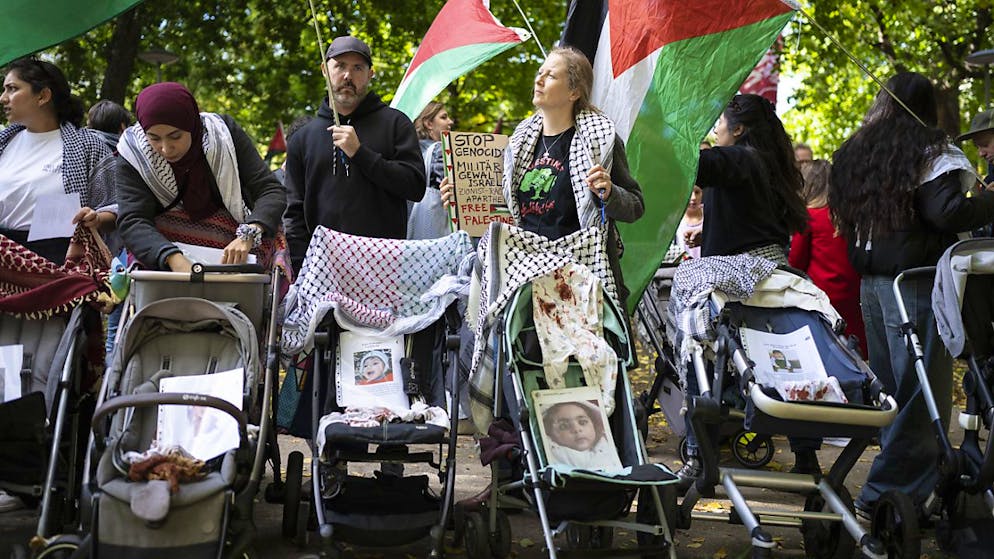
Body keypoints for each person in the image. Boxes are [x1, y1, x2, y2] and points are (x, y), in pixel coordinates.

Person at [829, 72, 994, 513]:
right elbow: (947, 212)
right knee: (921, 395)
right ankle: (881, 496)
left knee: (894, 393)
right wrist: (989, 200)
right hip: (914, 283)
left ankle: (910, 493)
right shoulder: (931, 152)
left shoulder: (857, 154)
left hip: (873, 285)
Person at [442, 46, 644, 305]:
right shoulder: (517, 145)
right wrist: (462, 198)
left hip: (579, 281)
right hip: (522, 278)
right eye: (540, 72)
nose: (539, 80)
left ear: (574, 92)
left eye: (551, 75)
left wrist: (610, 193)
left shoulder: (600, 142)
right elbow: (500, 212)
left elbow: (635, 206)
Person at [681, 93, 814, 484]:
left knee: (698, 354)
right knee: (787, 369)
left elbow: (694, 163)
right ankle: (806, 458)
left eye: (720, 123)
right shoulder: (770, 163)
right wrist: (709, 230)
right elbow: (754, 220)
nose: (715, 130)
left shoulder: (740, 158)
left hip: (740, 283)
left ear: (737, 129)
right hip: (776, 275)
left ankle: (697, 456)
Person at [284, 35, 425, 273]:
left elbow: (415, 187)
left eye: (357, 68)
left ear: (370, 74)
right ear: (324, 70)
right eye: (340, 66)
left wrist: (360, 153)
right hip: (322, 268)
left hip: (384, 265)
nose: (348, 76)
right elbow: (294, 212)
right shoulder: (302, 138)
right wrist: (301, 267)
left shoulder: (396, 124)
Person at [115, 82, 286, 272]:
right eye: (154, 138)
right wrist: (173, 259)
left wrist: (250, 233)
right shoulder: (133, 153)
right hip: (163, 257)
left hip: (238, 250)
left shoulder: (224, 135)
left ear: (192, 124)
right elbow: (133, 219)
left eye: (175, 136)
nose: (166, 148)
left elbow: (270, 190)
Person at [0, 57, 115, 265]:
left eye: (12, 89)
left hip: (63, 263)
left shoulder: (88, 146)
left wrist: (96, 218)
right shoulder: (4, 143)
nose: (3, 98)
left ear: (43, 96)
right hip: (4, 259)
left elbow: (116, 208)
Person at [788, 159, 866, 357]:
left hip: (821, 296)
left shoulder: (809, 217)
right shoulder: (846, 215)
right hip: (852, 292)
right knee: (854, 350)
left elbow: (796, 262)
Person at [408, 101, 454, 240]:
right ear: (429, 124)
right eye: (444, 117)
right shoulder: (439, 151)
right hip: (439, 232)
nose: (450, 122)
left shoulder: (411, 151)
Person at [542, 400, 620, 470]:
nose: (576, 429)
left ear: (594, 425)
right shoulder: (554, 450)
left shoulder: (606, 447)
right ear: (550, 433)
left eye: (582, 422)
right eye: (564, 426)